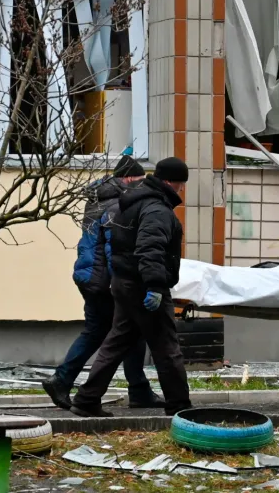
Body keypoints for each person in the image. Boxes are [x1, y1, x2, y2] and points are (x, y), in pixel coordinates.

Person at [71, 157, 193, 417]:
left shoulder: (131, 203)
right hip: (143, 287)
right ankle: (179, 405)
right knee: (167, 348)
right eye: (181, 184)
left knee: (116, 343)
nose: (181, 190)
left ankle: (86, 399)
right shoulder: (156, 209)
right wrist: (156, 286)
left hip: (124, 283)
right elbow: (150, 249)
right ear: (170, 182)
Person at [43, 156, 165, 411]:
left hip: (89, 276)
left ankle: (137, 389)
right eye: (140, 180)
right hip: (104, 281)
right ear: (130, 178)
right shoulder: (115, 205)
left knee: (114, 331)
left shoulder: (99, 198)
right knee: (121, 332)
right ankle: (66, 381)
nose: (142, 186)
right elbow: (114, 248)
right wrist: (120, 282)